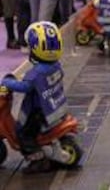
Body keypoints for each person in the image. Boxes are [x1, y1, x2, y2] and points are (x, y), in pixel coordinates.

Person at [1, 21, 68, 173]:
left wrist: (7, 82)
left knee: (23, 134)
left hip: (38, 112)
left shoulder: (36, 73)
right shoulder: (55, 65)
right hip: (53, 105)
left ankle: (38, 160)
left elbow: (24, 87)